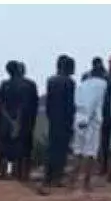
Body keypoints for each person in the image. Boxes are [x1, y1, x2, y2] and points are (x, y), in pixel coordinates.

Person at [72, 57, 107, 191]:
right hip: (92, 121)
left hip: (79, 118)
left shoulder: (82, 84)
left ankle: (73, 181)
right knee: (90, 153)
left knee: (78, 151)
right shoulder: (102, 85)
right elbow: (94, 103)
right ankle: (86, 183)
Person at [44, 55, 77, 187]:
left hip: (53, 119)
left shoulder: (51, 81)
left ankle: (48, 177)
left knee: (52, 148)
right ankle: (57, 177)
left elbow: (49, 102)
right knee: (62, 150)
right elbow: (70, 104)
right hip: (64, 120)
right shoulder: (69, 82)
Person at [0, 61, 30, 179]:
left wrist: (8, 119)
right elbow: (23, 106)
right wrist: (16, 121)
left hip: (5, 122)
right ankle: (16, 175)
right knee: (17, 149)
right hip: (18, 121)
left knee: (4, 149)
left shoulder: (4, 84)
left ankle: (3, 174)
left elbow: (0, 105)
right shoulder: (24, 85)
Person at [17, 62, 39, 182]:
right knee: (26, 149)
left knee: (16, 148)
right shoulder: (31, 84)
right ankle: (25, 174)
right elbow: (35, 103)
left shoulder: (9, 84)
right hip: (28, 121)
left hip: (14, 121)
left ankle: (17, 173)